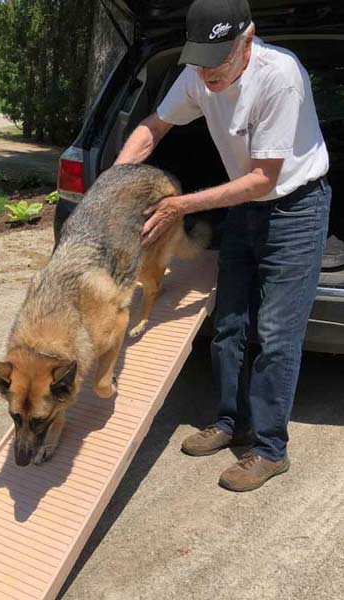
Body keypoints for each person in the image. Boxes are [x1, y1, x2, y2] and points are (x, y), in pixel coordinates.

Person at [115, 0, 331, 492]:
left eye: (219, 60)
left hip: (295, 208)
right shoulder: (197, 72)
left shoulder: (280, 76)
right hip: (245, 209)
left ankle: (270, 449)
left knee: (276, 336)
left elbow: (262, 179)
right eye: (200, 59)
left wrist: (179, 206)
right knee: (228, 326)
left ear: (247, 41)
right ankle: (230, 421)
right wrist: (116, 180)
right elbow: (154, 128)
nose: (208, 73)